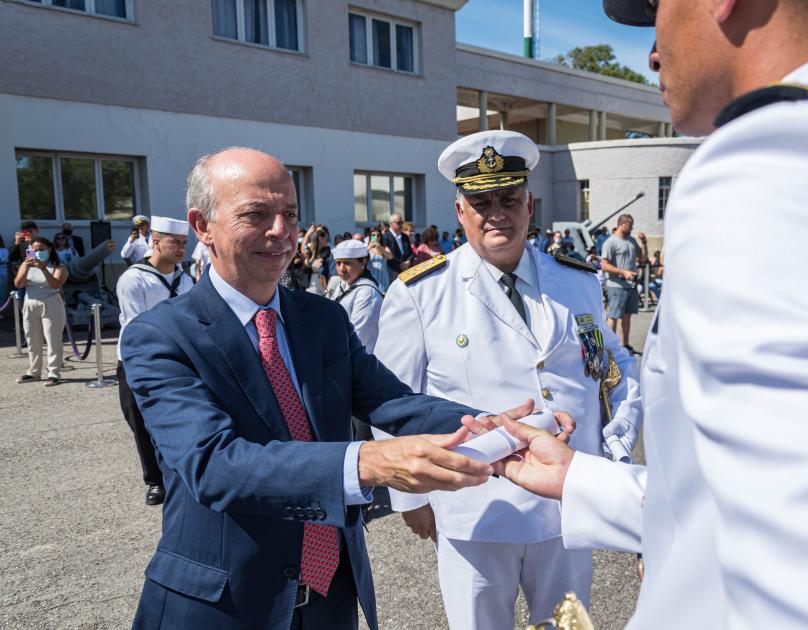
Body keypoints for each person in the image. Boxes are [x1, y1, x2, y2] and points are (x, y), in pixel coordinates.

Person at [496, 0, 808, 628]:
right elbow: (753, 501)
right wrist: (582, 479)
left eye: (656, 8)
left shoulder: (780, 165)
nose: (653, 49)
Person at [120, 147, 538, 630]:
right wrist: (367, 462)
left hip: (330, 597)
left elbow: (394, 402)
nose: (281, 231)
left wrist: (498, 428)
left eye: (290, 215)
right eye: (256, 215)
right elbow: (214, 465)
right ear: (202, 226)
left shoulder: (320, 318)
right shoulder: (160, 335)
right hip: (224, 605)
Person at [375, 130, 642, 630]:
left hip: (567, 506)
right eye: (481, 201)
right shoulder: (421, 294)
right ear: (461, 211)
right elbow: (392, 400)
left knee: (569, 626)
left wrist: (616, 450)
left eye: (508, 198)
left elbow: (613, 366)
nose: (496, 212)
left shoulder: (578, 281)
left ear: (529, 203)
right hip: (478, 509)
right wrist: (409, 497)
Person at [116, 216, 195, 506]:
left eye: (185, 244)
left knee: (176, 419)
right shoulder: (134, 279)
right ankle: (155, 480)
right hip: (137, 361)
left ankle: (177, 472)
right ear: (156, 242)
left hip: (176, 361)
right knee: (140, 421)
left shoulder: (185, 279)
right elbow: (139, 328)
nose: (181, 249)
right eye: (175, 242)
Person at [13, 237, 68, 386]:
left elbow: (55, 284)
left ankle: (54, 372)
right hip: (30, 302)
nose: (37, 253)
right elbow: (18, 284)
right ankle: (34, 372)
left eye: (41, 250)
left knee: (52, 339)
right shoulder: (26, 264)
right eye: (34, 250)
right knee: (32, 339)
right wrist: (26, 267)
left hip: (51, 302)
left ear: (49, 249)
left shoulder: (59, 266)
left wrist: (43, 268)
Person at [599, 214, 647, 350]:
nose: (632, 228)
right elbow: (604, 265)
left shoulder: (631, 240)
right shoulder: (611, 242)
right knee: (613, 316)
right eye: (630, 225)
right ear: (622, 225)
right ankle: (609, 348)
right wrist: (623, 272)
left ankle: (625, 345)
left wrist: (644, 243)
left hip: (631, 286)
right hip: (616, 286)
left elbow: (642, 259)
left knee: (627, 317)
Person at [331, 240, 383, 354]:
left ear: (363, 262)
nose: (341, 269)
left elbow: (359, 337)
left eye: (347, 263)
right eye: (338, 263)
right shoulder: (343, 285)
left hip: (357, 360)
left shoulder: (367, 292)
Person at [383, 213, 414, 284]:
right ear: (391, 224)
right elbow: (388, 256)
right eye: (399, 223)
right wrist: (401, 265)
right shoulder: (385, 237)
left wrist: (408, 262)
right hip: (392, 272)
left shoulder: (405, 236)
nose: (401, 225)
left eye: (402, 222)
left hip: (406, 272)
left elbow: (411, 253)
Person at [366, 228, 393, 294]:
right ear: (370, 237)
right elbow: (361, 259)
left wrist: (380, 248)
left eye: (378, 235)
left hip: (382, 276)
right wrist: (368, 248)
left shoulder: (384, 247)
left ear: (381, 237)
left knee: (383, 295)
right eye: (373, 235)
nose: (376, 237)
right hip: (371, 275)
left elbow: (390, 257)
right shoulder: (366, 247)